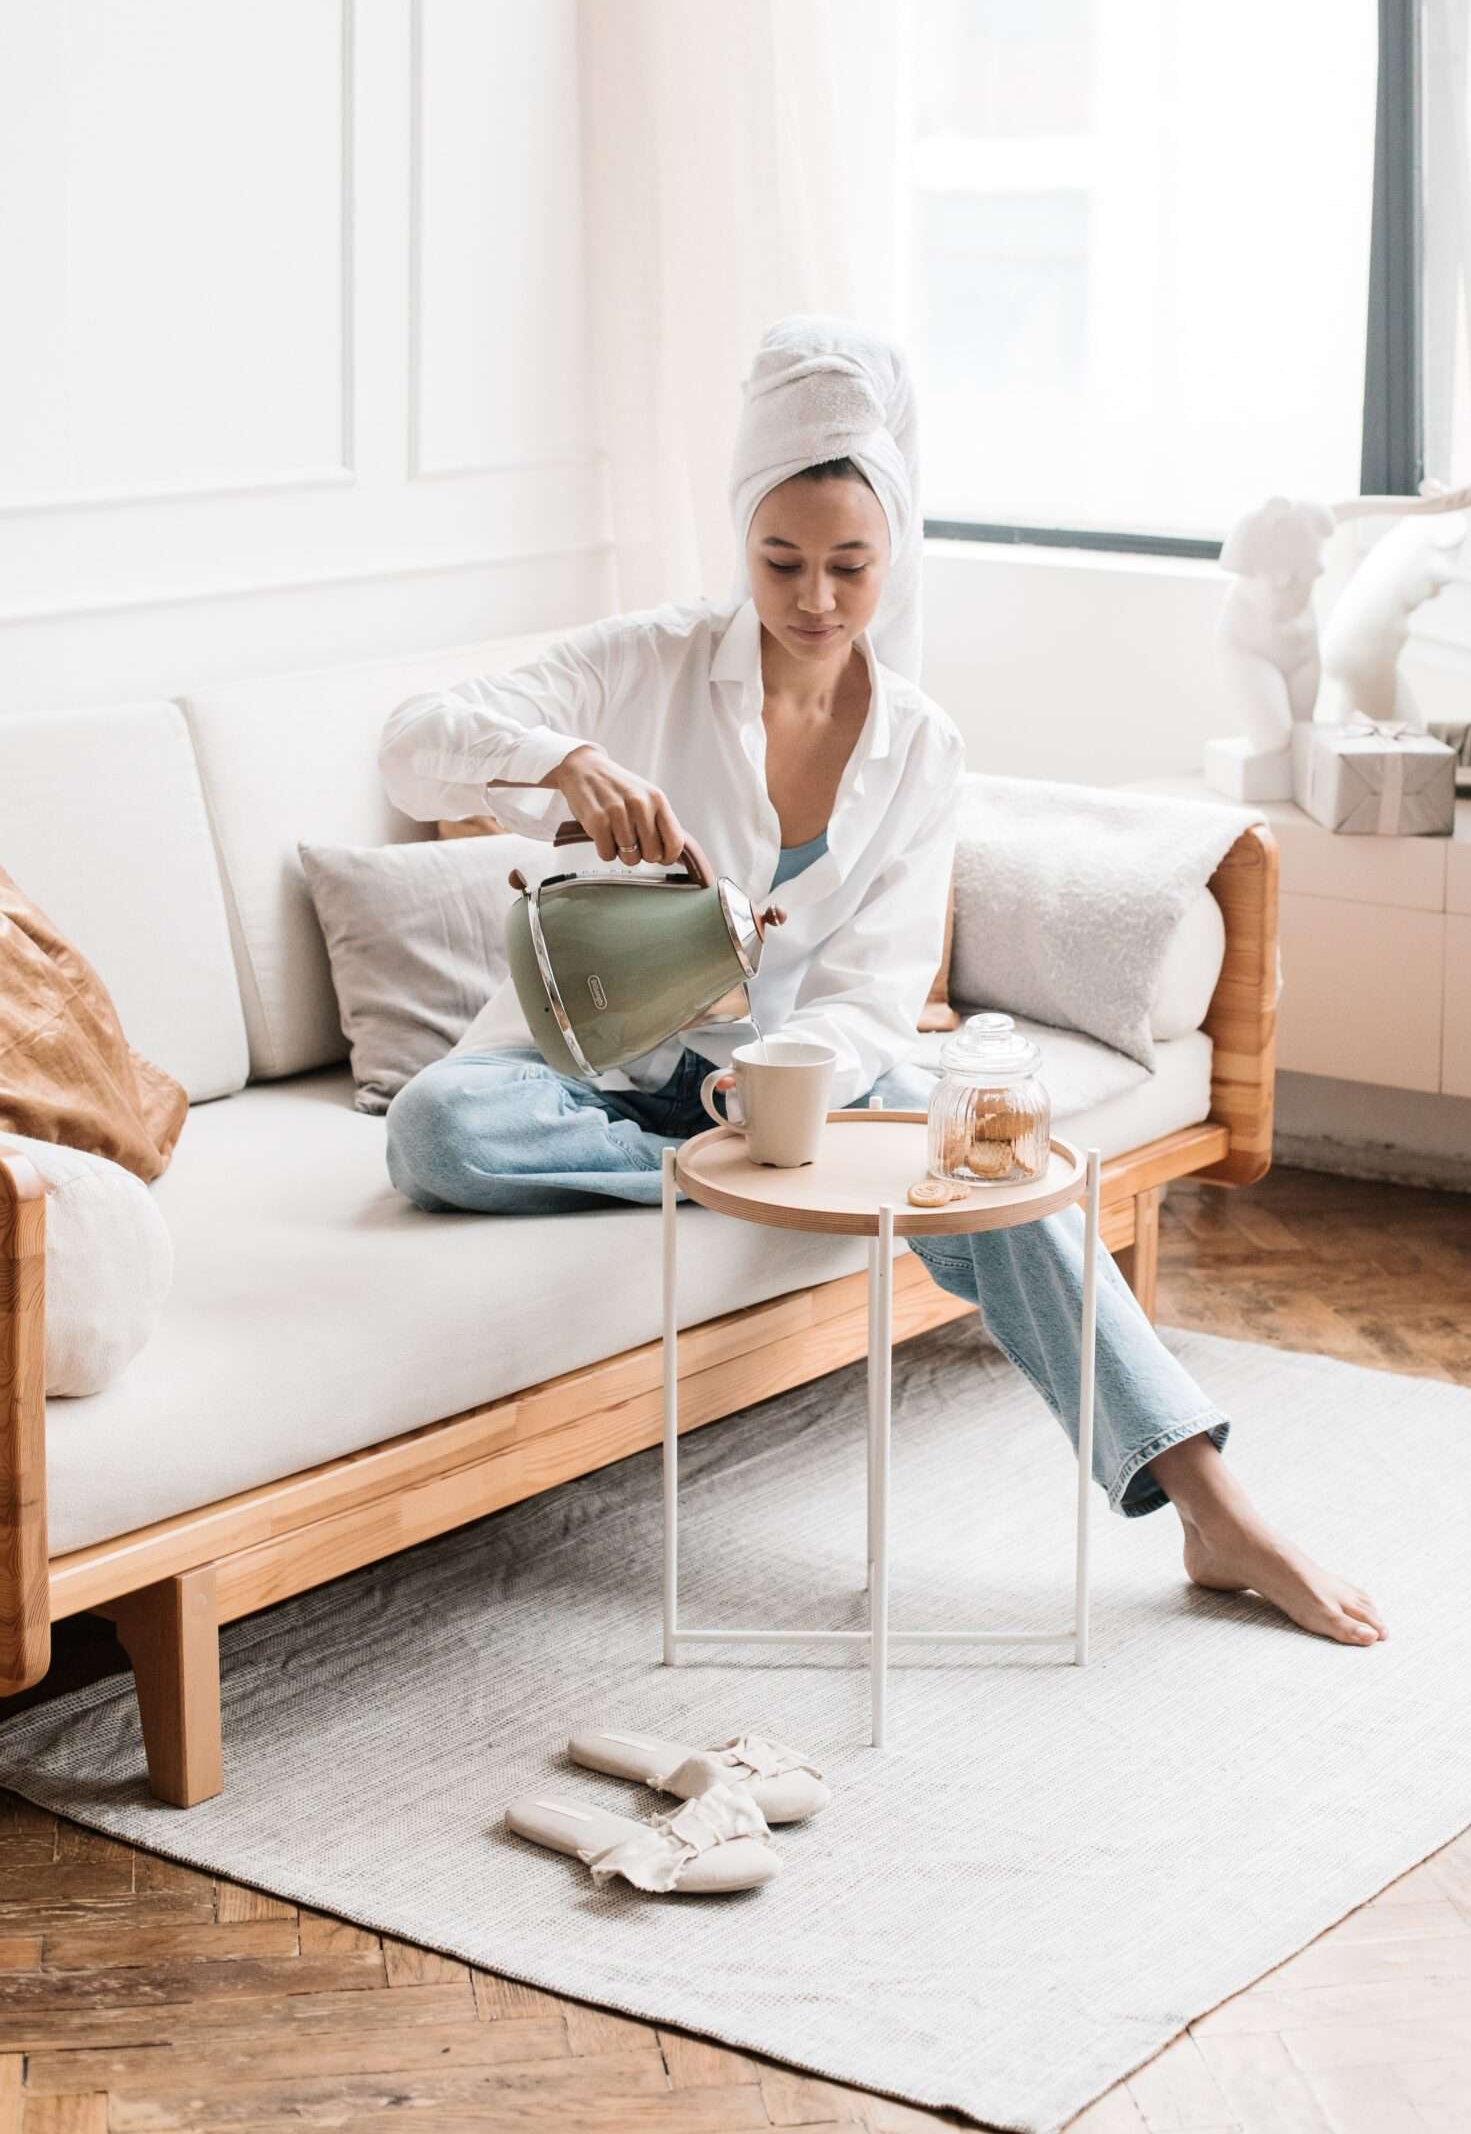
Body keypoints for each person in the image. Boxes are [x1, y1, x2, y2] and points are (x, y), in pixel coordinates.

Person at [380, 315, 1387, 1648]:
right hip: (595, 1086)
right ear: (741, 542)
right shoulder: (647, 664)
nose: (813, 599)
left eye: (850, 566)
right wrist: (563, 759)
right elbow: (411, 747)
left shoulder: (921, 744)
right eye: (780, 560)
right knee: (433, 1127)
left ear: (894, 555)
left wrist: (794, 1082)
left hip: (798, 1090)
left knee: (987, 1159)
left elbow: (875, 985)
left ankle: (1210, 1501)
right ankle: (745, 1181)